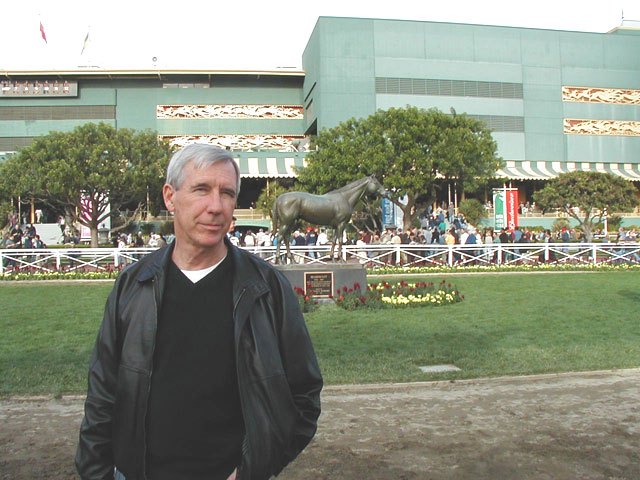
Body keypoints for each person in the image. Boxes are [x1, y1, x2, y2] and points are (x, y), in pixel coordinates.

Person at [76, 144, 322, 480]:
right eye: (202, 189)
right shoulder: (133, 286)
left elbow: (304, 397)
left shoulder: (267, 289)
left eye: (227, 193)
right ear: (170, 197)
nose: (216, 206)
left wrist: (252, 470)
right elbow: (102, 396)